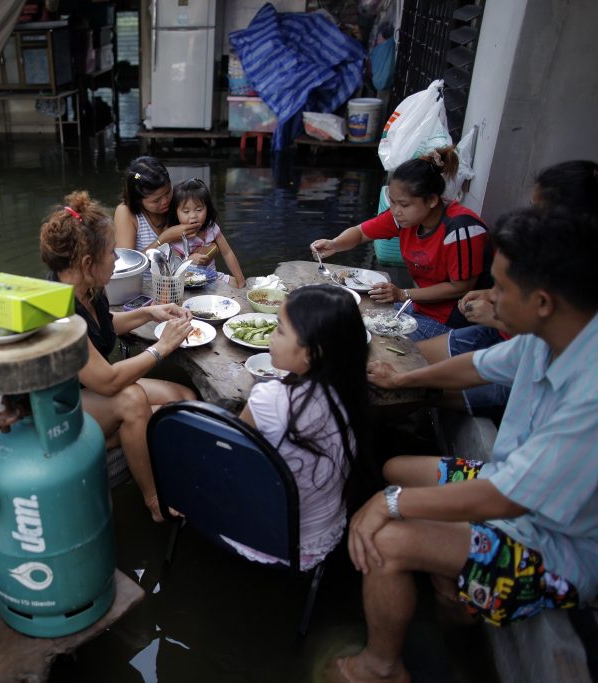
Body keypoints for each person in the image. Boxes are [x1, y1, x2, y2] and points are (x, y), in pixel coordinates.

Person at [329, 207, 598, 683]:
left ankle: (381, 667)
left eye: (499, 288)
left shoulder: (590, 392)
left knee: (386, 537)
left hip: (548, 550)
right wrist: (403, 376)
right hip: (504, 489)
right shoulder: (549, 335)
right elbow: (477, 366)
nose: (487, 297)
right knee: (394, 468)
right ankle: (450, 589)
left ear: (541, 301)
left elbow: (505, 498)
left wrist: (388, 505)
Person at [41, 190, 198, 522]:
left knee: (183, 398)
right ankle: (153, 500)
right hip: (58, 409)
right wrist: (162, 348)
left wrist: (150, 313)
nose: (116, 258)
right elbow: (108, 381)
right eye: (111, 252)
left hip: (88, 393)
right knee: (132, 399)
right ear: (87, 263)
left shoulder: (88, 289)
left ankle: (119, 440)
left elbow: (105, 324)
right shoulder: (60, 312)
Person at [417, 159, 598, 417]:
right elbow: (488, 361)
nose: (529, 216)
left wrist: (497, 316)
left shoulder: (573, 275)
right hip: (499, 340)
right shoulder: (529, 345)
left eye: (538, 210)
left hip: (509, 353)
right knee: (407, 362)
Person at [237, 285, 370, 569]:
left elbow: (232, 454)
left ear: (311, 353)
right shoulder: (352, 392)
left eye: (280, 330)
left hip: (268, 538)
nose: (271, 337)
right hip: (320, 536)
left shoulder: (269, 399)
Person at [311, 146, 490, 341]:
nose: (396, 211)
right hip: (418, 305)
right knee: (348, 316)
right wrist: (335, 244)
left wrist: (404, 293)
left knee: (372, 340)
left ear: (431, 200)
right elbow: (361, 233)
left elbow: (460, 287)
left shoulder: (461, 228)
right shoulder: (405, 218)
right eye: (393, 202)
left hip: (452, 321)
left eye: (403, 204)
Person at [113, 156, 216, 270]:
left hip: (183, 282)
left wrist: (206, 253)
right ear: (138, 199)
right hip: (144, 286)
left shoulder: (179, 203)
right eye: (156, 200)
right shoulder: (126, 212)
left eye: (167, 192)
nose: (166, 201)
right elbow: (125, 266)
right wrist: (164, 239)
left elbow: (213, 242)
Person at [168, 178, 246, 287]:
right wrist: (189, 261)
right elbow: (172, 270)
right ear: (176, 213)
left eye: (199, 210)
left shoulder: (211, 228)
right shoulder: (176, 236)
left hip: (213, 276)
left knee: (238, 284)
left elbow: (227, 253)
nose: (193, 215)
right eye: (186, 211)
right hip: (187, 283)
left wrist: (241, 280)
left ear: (207, 209)